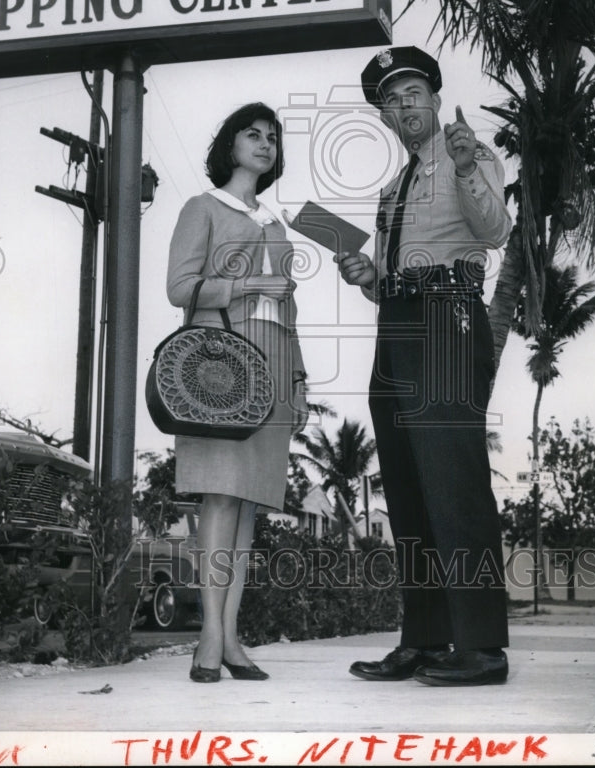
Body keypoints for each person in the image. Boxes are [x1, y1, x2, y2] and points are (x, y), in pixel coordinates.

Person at [336, 46, 512, 686]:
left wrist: (466, 167)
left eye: (412, 92)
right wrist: (366, 275)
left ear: (435, 99)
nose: (403, 105)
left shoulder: (471, 154)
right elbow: (387, 280)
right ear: (384, 115)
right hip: (398, 323)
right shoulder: (392, 188)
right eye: (391, 99)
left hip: (446, 315)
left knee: (455, 481)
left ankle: (483, 644)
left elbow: (494, 231)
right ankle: (426, 638)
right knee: (408, 486)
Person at [166, 102, 308, 684]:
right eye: (252, 134)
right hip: (221, 362)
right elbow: (180, 288)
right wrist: (250, 282)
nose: (265, 143)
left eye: (272, 137)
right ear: (230, 146)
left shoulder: (277, 223)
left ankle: (230, 636)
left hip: (274, 359)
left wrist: (298, 379)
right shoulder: (201, 208)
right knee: (219, 499)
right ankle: (208, 636)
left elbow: (289, 308)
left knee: (248, 505)